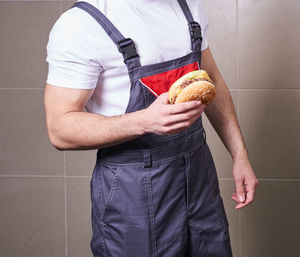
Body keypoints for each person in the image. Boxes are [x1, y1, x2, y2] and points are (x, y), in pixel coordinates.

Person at [44, 0, 258, 256]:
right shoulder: (81, 23)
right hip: (132, 189)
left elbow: (210, 76)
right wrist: (145, 121)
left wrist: (240, 155)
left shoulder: (188, 7)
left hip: (199, 173)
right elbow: (60, 127)